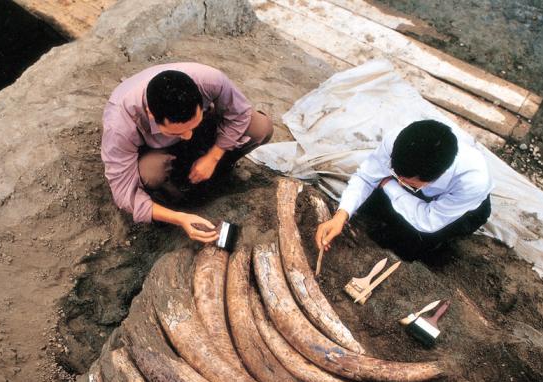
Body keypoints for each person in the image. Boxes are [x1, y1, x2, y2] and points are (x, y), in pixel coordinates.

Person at [101, 63, 273, 243]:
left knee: (260, 127)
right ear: (151, 115)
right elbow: (124, 193)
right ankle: (172, 194)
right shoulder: (119, 125)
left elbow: (240, 114)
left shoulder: (210, 80)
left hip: (204, 134)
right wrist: (180, 218)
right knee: (150, 172)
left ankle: (217, 171)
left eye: (193, 125)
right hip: (156, 151)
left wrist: (214, 156)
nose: (187, 136)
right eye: (176, 131)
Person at [315, 120, 493, 261]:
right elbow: (366, 176)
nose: (400, 182)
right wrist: (341, 215)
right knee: (365, 206)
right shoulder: (399, 140)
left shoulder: (473, 180)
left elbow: (428, 220)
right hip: (415, 186)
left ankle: (437, 249)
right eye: (396, 175)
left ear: (434, 178)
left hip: (462, 211)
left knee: (409, 245)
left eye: (407, 182)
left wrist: (388, 184)